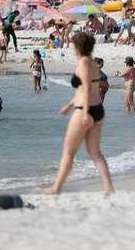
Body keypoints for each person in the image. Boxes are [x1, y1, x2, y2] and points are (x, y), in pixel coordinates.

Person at [47, 33, 114, 195]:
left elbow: (87, 88)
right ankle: (109, 187)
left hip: (86, 111)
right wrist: (69, 105)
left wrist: (83, 112)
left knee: (68, 153)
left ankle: (56, 188)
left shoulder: (83, 63)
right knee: (96, 153)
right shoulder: (93, 63)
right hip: (98, 110)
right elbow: (84, 89)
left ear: (77, 46)